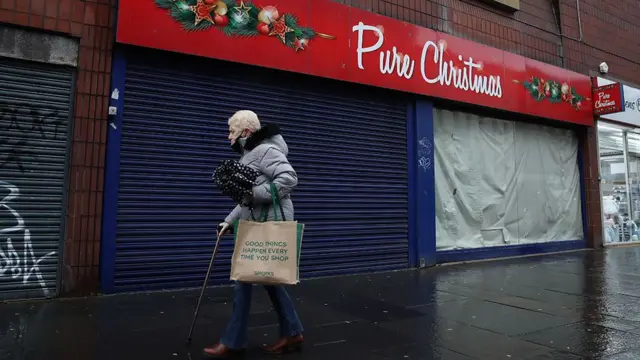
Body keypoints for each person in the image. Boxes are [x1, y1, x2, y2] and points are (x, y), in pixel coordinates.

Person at [204, 110, 304, 358]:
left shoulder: (265, 152)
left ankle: (233, 341)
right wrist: (228, 221)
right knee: (269, 281)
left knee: (244, 280)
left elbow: (289, 179)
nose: (228, 137)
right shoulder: (250, 154)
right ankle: (292, 332)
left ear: (246, 132)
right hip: (255, 222)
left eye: (232, 131)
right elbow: (246, 197)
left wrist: (255, 193)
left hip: (267, 222)